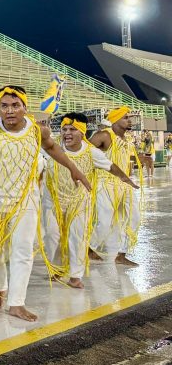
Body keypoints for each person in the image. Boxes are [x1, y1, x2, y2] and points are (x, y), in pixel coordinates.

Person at [0, 86, 90, 322]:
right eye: (4, 106)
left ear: (24, 107)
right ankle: (0, 289)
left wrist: (73, 168)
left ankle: (17, 303)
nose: (9, 111)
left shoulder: (37, 130)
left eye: (15, 106)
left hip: (26, 200)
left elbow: (52, 148)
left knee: (22, 250)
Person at [42, 113, 137, 288]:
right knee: (52, 236)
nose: (67, 133)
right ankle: (56, 269)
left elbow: (111, 166)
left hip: (79, 201)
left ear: (83, 132)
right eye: (64, 129)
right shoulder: (51, 147)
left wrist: (126, 179)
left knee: (78, 237)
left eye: (72, 129)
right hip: (52, 201)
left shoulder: (91, 152)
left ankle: (75, 276)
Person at [89, 106, 144, 266]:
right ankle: (89, 249)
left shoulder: (126, 139)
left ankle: (121, 254)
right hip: (104, 183)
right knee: (104, 222)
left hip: (125, 184)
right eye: (126, 117)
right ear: (115, 119)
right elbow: (84, 155)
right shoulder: (104, 135)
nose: (130, 120)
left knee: (134, 218)